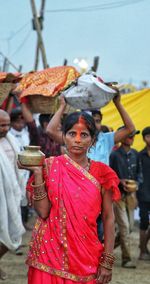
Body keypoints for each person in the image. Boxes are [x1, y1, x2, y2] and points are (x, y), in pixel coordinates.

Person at [18, 111, 120, 284]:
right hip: (48, 254)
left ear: (93, 140)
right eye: (72, 134)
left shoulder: (103, 174)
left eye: (84, 135)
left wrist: (107, 262)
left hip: (86, 254)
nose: (78, 140)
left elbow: (109, 218)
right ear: (63, 137)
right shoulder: (49, 167)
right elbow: (43, 212)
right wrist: (36, 172)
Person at [46, 95, 135, 166]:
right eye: (91, 121)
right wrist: (62, 107)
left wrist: (117, 103)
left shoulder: (106, 139)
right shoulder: (74, 139)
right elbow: (50, 131)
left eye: (97, 121)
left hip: (99, 186)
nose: (94, 125)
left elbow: (130, 129)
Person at [109, 129, 140, 268]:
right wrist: (119, 181)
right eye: (129, 135)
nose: (132, 138)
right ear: (122, 138)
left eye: (133, 135)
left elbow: (139, 175)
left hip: (131, 196)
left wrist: (136, 185)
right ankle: (126, 259)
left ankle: (105, 248)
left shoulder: (135, 154)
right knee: (125, 227)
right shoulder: (114, 155)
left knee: (130, 228)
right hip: (118, 196)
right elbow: (109, 174)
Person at [0, 109, 25, 280]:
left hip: (11, 195)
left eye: (7, 124)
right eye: (2, 125)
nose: (6, 128)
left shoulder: (11, 141)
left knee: (13, 234)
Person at [9, 107, 31, 231]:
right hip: (12, 170)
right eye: (17, 122)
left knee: (24, 197)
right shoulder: (9, 134)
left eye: (22, 122)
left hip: (25, 171)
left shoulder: (26, 132)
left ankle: (24, 221)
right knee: (14, 197)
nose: (20, 125)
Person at [137, 126, 150, 260]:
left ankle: (143, 246)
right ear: (144, 138)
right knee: (144, 222)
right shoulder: (140, 155)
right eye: (148, 136)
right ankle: (142, 252)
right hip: (143, 193)